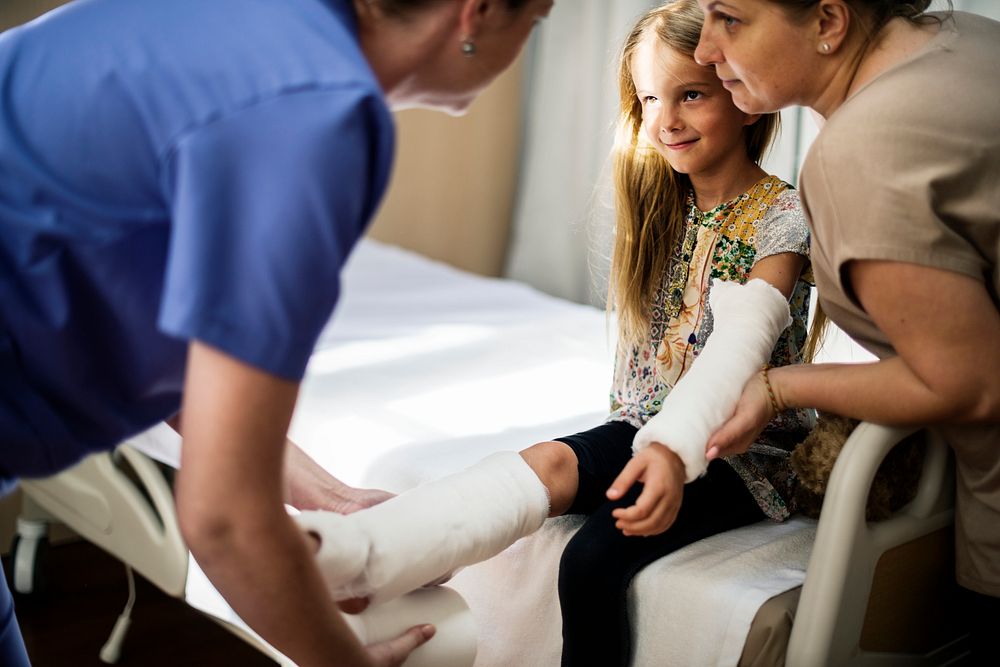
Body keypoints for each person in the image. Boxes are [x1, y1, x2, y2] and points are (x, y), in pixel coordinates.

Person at [0, 0, 554, 665]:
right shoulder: (314, 114)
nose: (528, 39)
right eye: (537, 19)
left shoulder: (259, 24)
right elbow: (225, 517)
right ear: (478, 12)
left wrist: (331, 497)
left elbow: (164, 326)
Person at [693, 0, 1000, 660]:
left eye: (729, 19)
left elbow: (968, 384)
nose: (705, 50)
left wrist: (777, 386)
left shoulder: (861, 151)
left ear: (829, 23)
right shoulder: (966, 41)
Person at [509, 1, 814, 664]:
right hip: (641, 428)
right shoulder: (658, 211)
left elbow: (746, 340)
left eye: (692, 95)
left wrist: (676, 452)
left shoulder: (783, 217)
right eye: (650, 99)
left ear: (745, 98)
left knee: (590, 558)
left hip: (740, 453)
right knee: (541, 470)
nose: (667, 120)